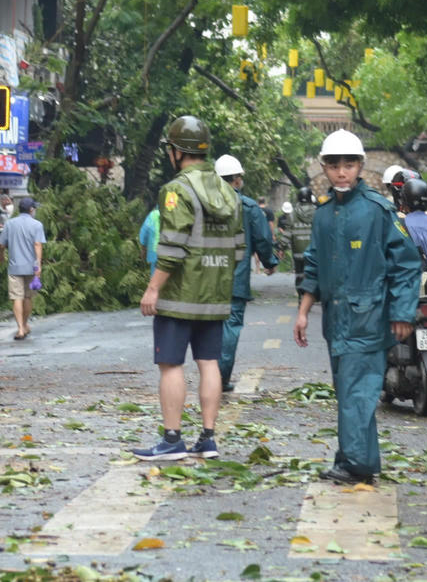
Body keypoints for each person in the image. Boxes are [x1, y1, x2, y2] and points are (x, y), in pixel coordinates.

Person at [294, 129, 421, 485]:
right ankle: (355, 458)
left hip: (369, 318)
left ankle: (357, 464)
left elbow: (407, 265)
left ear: (360, 166)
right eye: (334, 165)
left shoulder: (378, 211)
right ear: (324, 167)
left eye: (349, 164)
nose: (341, 172)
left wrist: (401, 313)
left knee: (358, 392)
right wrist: (303, 311)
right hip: (335, 320)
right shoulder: (323, 215)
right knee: (349, 391)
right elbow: (314, 265)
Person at [130, 116, 244, 462]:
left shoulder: (176, 190)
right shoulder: (229, 191)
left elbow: (173, 246)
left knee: (171, 365)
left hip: (179, 296)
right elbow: (238, 250)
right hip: (215, 296)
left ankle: (172, 439)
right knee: (209, 362)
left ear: (176, 152)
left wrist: (153, 289)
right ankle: (208, 438)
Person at [215, 154, 279, 393]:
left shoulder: (201, 204)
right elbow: (262, 238)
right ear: (237, 180)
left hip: (205, 280)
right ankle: (220, 378)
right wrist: (269, 262)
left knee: (209, 328)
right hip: (235, 279)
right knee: (230, 327)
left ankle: (209, 376)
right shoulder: (248, 207)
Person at [0, 197, 46, 340]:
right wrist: (38, 264)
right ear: (31, 209)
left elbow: (1, 244)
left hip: (14, 267)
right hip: (31, 267)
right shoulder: (37, 225)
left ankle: (20, 328)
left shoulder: (10, 224)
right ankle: (25, 324)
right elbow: (37, 245)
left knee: (16, 298)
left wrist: (1, 255)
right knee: (27, 297)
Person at [288, 186, 316, 294]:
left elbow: (287, 234)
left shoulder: (292, 214)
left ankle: (301, 297)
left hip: (298, 253)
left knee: (299, 275)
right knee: (311, 274)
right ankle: (309, 297)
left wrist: (279, 247)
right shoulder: (317, 213)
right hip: (312, 253)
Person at [138, 207, 160, 277]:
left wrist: (143, 250)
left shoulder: (154, 214)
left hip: (156, 255)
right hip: (177, 255)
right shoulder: (181, 213)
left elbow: (144, 234)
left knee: (156, 283)